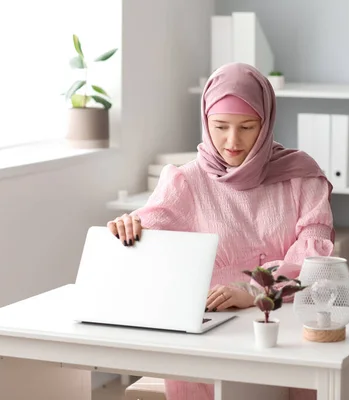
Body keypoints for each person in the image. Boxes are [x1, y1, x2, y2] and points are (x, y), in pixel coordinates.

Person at [107, 62, 334, 400]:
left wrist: (255, 290)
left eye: (247, 126)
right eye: (220, 126)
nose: (232, 141)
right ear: (205, 121)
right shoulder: (186, 180)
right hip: (212, 333)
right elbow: (150, 225)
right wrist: (128, 226)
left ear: (267, 122)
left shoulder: (301, 176)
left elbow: (314, 254)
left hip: (283, 328)